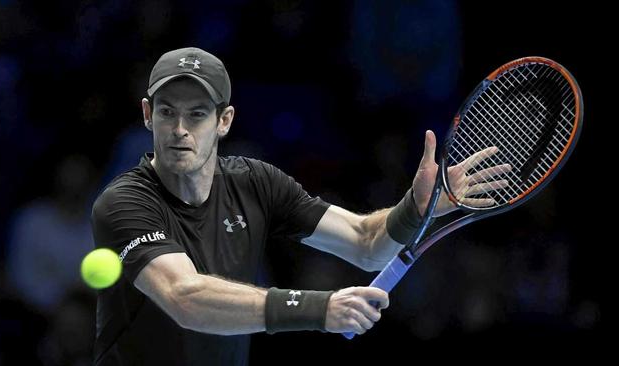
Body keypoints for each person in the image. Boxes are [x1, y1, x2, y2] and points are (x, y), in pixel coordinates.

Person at [91, 47, 505, 365]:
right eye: (167, 112)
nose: (179, 130)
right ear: (148, 115)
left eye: (197, 114)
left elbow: (365, 244)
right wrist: (320, 308)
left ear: (224, 121)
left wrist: (418, 207)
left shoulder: (256, 182)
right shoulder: (124, 201)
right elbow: (186, 297)